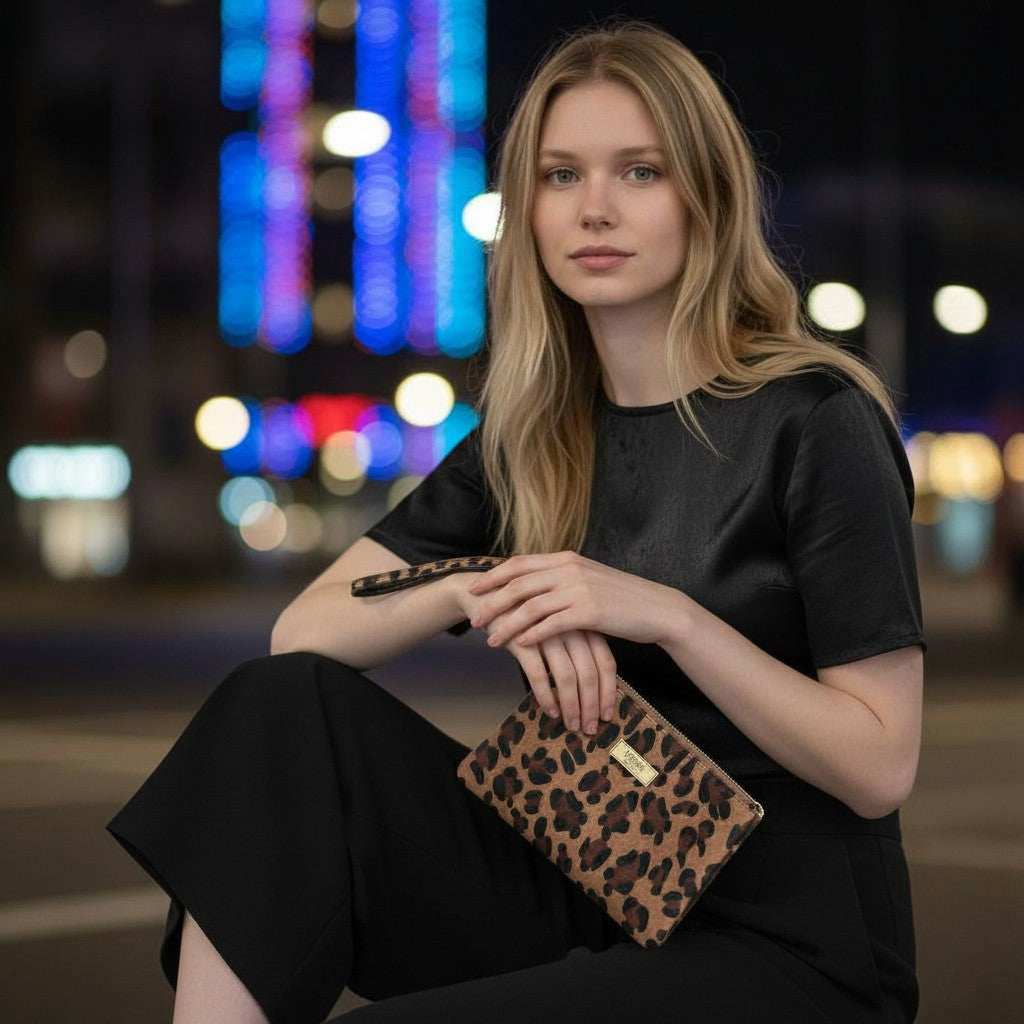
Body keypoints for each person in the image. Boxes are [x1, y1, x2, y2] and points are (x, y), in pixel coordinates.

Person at [107, 19, 927, 1024]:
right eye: (558, 176)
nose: (592, 209)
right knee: (280, 708)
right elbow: (302, 634)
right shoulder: (535, 432)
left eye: (637, 172)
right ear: (523, 210)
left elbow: (880, 764)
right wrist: (483, 584)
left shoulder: (815, 416)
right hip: (604, 874)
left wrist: (663, 614)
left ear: (704, 196)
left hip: (790, 942)